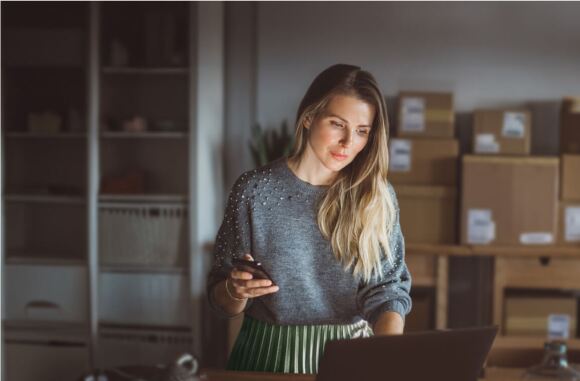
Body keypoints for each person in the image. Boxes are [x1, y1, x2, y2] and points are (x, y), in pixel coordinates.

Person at [207, 63, 412, 374]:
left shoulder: (376, 196)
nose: (348, 143)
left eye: (362, 131)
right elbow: (221, 300)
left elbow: (388, 292)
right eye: (337, 124)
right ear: (307, 117)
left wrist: (388, 356)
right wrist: (235, 291)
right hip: (267, 357)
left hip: (352, 356)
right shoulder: (253, 190)